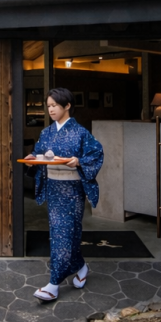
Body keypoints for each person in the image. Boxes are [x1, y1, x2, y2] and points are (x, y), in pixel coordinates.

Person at [29, 87, 103, 302]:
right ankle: (81, 266)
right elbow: (39, 152)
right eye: (49, 106)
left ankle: (53, 284)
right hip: (53, 188)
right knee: (62, 233)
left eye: (55, 106)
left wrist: (78, 161)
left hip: (72, 190)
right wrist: (33, 157)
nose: (50, 109)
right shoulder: (46, 132)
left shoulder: (80, 133)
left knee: (64, 232)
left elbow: (96, 153)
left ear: (67, 106)